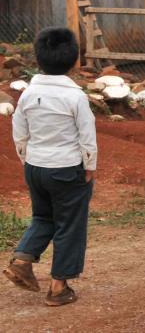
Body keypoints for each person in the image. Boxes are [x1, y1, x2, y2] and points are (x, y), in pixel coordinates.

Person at [3, 27, 97, 306]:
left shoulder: (29, 94)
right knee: (70, 224)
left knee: (43, 217)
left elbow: (19, 130)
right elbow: (87, 135)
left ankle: (22, 260)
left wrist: (27, 160)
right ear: (73, 61)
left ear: (39, 59)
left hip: (36, 167)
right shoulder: (76, 96)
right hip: (67, 169)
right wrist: (90, 165)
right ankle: (59, 288)